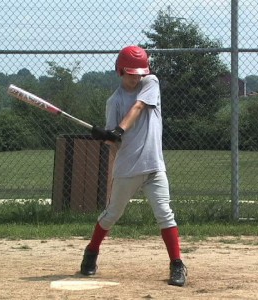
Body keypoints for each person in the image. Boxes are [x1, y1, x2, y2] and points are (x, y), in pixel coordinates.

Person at [80, 45, 187, 287]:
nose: (136, 77)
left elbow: (138, 107)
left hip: (154, 166)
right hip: (128, 168)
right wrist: (103, 135)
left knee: (164, 213)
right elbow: (114, 141)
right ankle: (91, 252)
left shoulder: (151, 83)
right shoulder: (114, 101)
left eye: (139, 72)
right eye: (131, 73)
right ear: (120, 71)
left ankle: (177, 265)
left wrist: (119, 129)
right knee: (111, 215)